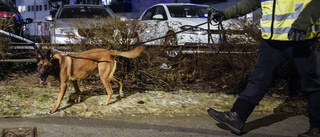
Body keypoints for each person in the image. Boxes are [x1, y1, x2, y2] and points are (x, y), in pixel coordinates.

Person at [207, 0, 320, 136]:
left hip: (299, 37)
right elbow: (252, 2)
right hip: (271, 41)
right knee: (258, 79)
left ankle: (316, 127)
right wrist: (225, 13)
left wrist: (303, 24)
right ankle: (236, 116)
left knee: (312, 83)